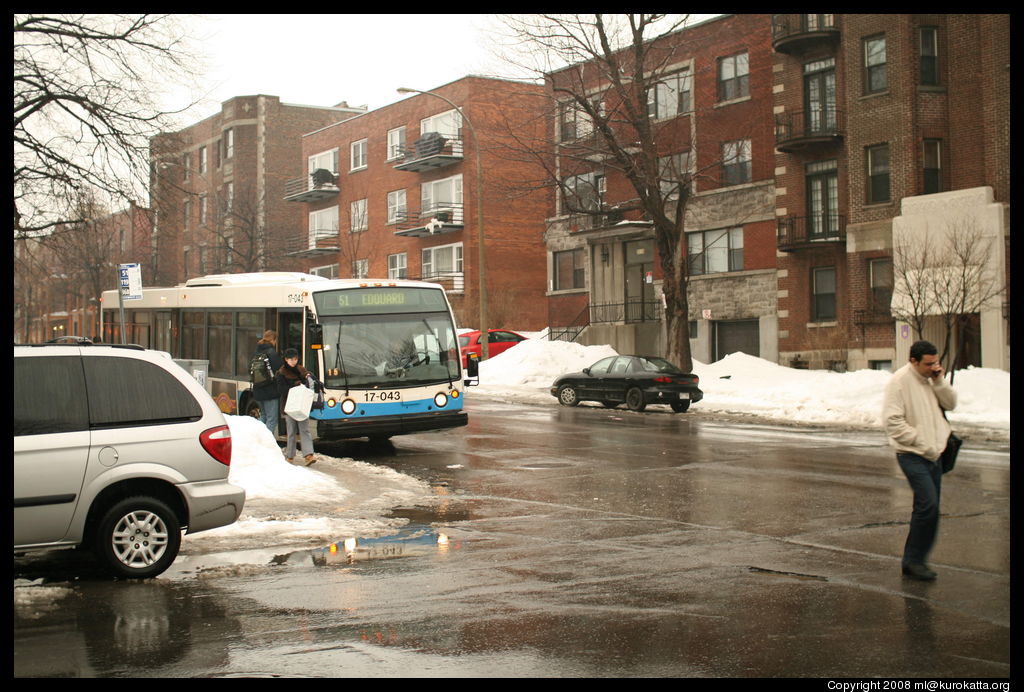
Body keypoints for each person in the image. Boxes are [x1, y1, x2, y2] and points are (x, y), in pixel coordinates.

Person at [882, 340, 957, 581]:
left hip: (934, 454)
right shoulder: (899, 382)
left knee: (929, 509)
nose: (933, 367)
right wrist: (921, 441)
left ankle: (915, 560)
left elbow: (951, 403)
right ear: (913, 361)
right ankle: (913, 561)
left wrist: (939, 381)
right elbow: (892, 422)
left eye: (936, 362)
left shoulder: (931, 378)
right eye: (928, 364)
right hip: (912, 454)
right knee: (928, 505)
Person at [276, 348, 317, 466]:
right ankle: (290, 456)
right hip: (289, 406)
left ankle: (309, 455)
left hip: (302, 405)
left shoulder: (302, 371)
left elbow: (309, 384)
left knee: (304, 429)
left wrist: (307, 381)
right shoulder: (281, 373)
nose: (293, 361)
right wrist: (294, 386)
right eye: (290, 359)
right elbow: (281, 390)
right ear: (286, 359)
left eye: (295, 359)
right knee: (291, 431)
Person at [252, 330, 284, 434]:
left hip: (257, 390)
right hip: (270, 391)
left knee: (263, 416)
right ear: (273, 340)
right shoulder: (271, 353)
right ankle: (267, 443)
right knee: (272, 419)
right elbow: (280, 370)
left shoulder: (257, 352)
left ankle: (258, 439)